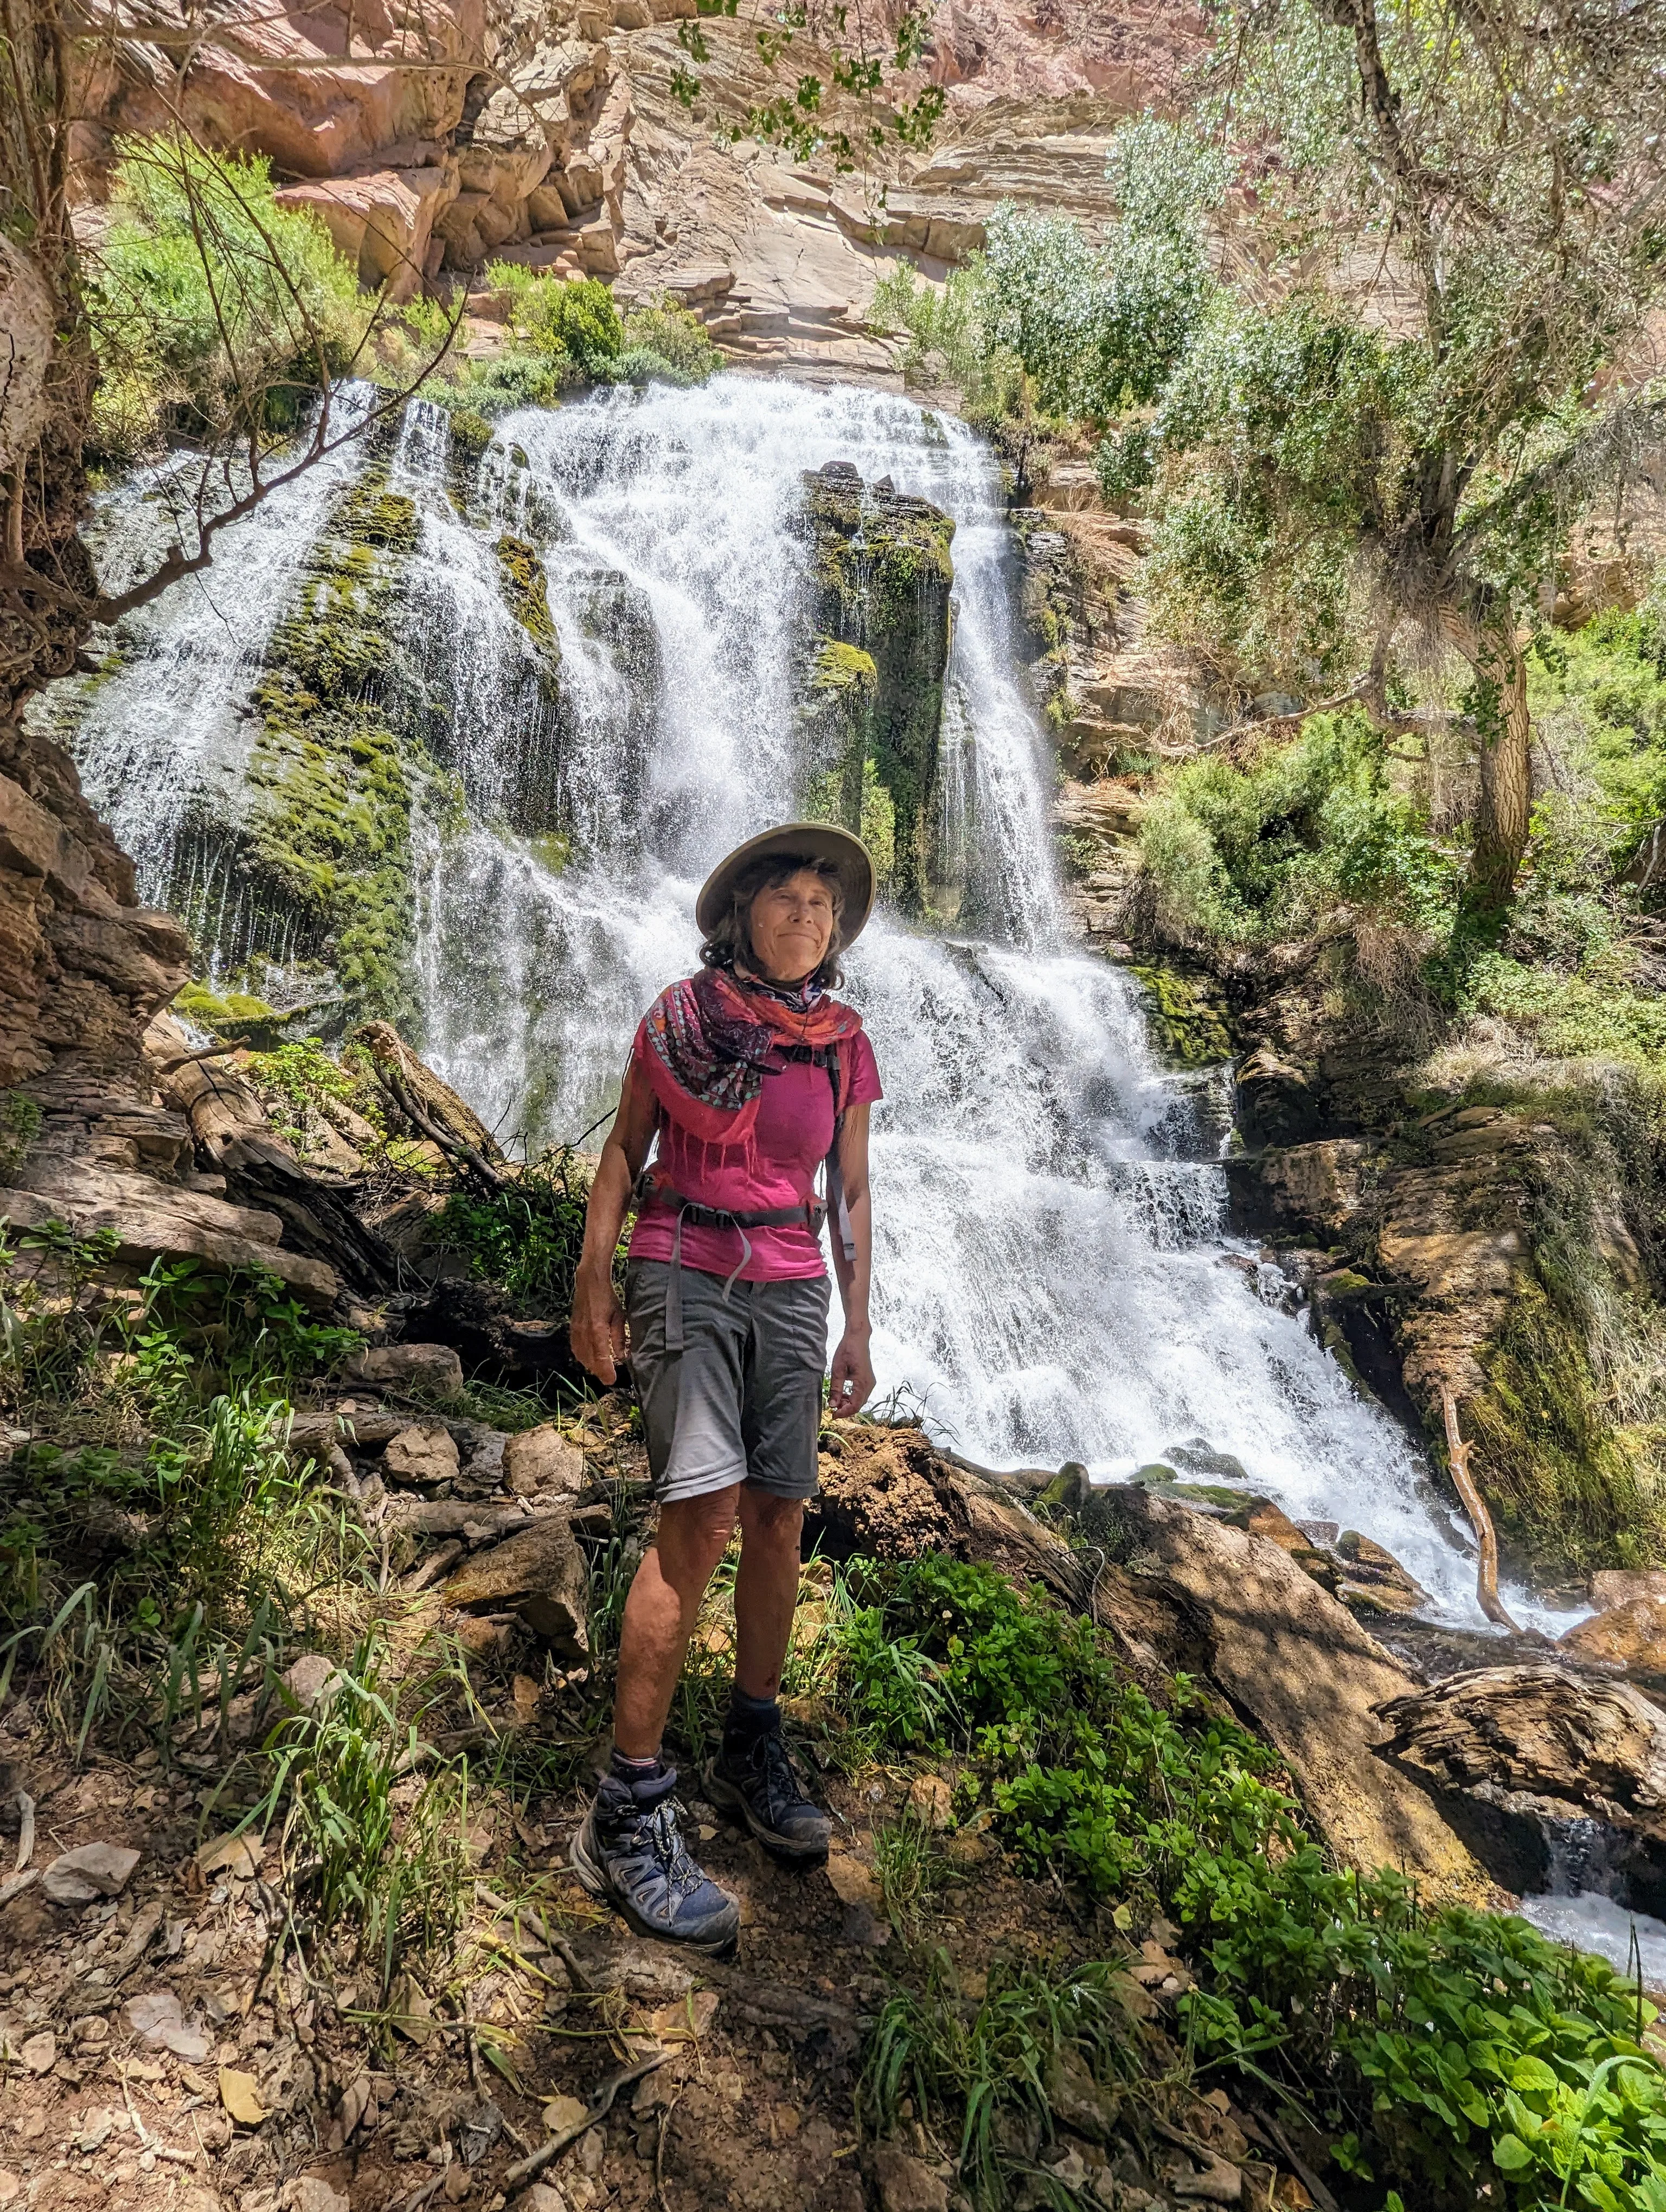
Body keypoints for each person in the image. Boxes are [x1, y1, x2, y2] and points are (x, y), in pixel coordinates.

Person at [566, 822, 881, 1951]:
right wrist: (593, 1277)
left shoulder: (843, 1042)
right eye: (788, 898)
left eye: (824, 905)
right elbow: (623, 1151)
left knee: (782, 1514)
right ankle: (627, 1807)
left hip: (794, 1283)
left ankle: (754, 1740)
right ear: (741, 912)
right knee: (697, 1517)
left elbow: (848, 1190)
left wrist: (860, 1324)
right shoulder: (679, 1018)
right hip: (685, 1264)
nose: (808, 916)